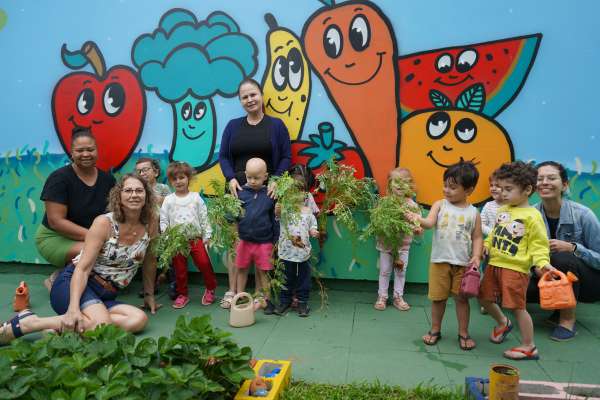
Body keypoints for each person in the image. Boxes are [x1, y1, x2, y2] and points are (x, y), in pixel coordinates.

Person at [1, 174, 159, 345]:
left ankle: (56, 327)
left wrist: (149, 295)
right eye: (128, 190)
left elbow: (150, 260)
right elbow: (82, 269)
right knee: (102, 327)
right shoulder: (104, 223)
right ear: (119, 196)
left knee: (138, 319)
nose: (134, 195)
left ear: (147, 196)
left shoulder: (150, 222)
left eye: (139, 191)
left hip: (107, 292)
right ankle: (31, 324)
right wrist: (73, 308)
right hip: (75, 284)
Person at [218, 78, 291, 308]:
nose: (250, 100)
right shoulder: (232, 126)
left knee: (262, 242)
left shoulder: (276, 125)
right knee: (236, 243)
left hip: (265, 193)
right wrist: (230, 177)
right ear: (240, 101)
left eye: (253, 95)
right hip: (237, 190)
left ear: (261, 96)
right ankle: (232, 291)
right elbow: (223, 156)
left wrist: (277, 180)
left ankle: (260, 293)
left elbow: (287, 156)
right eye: (245, 97)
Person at [480, 161, 555, 360]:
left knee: (516, 307)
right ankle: (503, 323)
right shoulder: (503, 210)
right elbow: (494, 234)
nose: (502, 193)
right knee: (484, 298)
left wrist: (542, 263)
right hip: (494, 264)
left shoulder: (533, 215)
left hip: (515, 269)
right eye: (500, 188)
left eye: (508, 189)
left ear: (527, 190)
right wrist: (486, 246)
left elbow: (539, 244)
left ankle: (529, 346)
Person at [527, 161, 600, 341]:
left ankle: (567, 320)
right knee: (518, 283)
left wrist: (574, 248)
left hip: (588, 283)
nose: (544, 182)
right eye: (540, 179)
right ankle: (557, 309)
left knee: (562, 257)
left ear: (564, 185)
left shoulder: (583, 214)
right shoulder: (530, 215)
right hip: (547, 276)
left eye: (551, 178)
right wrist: (535, 268)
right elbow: (524, 254)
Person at [35, 127, 115, 289]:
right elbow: (56, 221)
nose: (85, 154)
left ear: (97, 151)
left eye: (90, 149)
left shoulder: (108, 179)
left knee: (113, 251)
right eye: (80, 150)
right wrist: (96, 238)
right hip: (55, 237)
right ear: (71, 152)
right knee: (99, 251)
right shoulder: (59, 179)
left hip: (90, 236)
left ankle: (81, 277)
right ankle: (59, 278)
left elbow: (114, 214)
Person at [416, 161, 482, 351]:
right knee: (438, 299)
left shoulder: (473, 213)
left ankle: (463, 332)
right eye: (445, 185)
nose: (447, 190)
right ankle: (435, 330)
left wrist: (476, 255)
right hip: (439, 262)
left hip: (462, 263)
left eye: (453, 187)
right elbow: (428, 223)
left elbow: (477, 237)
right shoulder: (440, 205)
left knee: (462, 300)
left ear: (469, 190)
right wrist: (416, 219)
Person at [160, 162, 216, 309]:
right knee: (179, 269)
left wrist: (207, 235)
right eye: (174, 179)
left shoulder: (196, 197)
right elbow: (164, 220)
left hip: (195, 239)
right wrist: (167, 238)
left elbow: (204, 218)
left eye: (181, 177)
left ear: (188, 178)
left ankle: (210, 288)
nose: (178, 181)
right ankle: (182, 294)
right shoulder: (169, 199)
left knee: (204, 263)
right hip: (177, 241)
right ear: (171, 182)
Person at [374, 167, 422, 312]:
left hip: (403, 246)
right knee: (384, 270)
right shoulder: (384, 203)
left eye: (404, 182)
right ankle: (382, 296)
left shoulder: (412, 205)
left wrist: (417, 228)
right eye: (397, 181)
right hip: (386, 245)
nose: (400, 185)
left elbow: (418, 223)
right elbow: (376, 221)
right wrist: (383, 224)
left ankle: (397, 296)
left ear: (410, 185)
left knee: (401, 271)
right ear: (390, 184)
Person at [274, 168, 320, 317]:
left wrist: (314, 231)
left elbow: (313, 224)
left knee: (303, 279)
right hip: (286, 252)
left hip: (303, 253)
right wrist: (278, 210)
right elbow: (278, 215)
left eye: (299, 192)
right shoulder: (285, 209)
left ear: (305, 194)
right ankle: (284, 301)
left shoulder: (307, 211)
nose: (296, 195)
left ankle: (302, 302)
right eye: (292, 192)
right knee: (286, 278)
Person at [235, 158, 277, 314]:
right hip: (245, 240)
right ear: (245, 174)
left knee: (263, 271)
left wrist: (275, 239)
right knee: (241, 268)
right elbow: (234, 214)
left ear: (265, 176)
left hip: (264, 241)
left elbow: (274, 218)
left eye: (257, 178)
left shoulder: (270, 194)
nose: (252, 181)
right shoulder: (240, 193)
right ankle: (239, 296)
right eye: (249, 177)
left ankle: (266, 300)